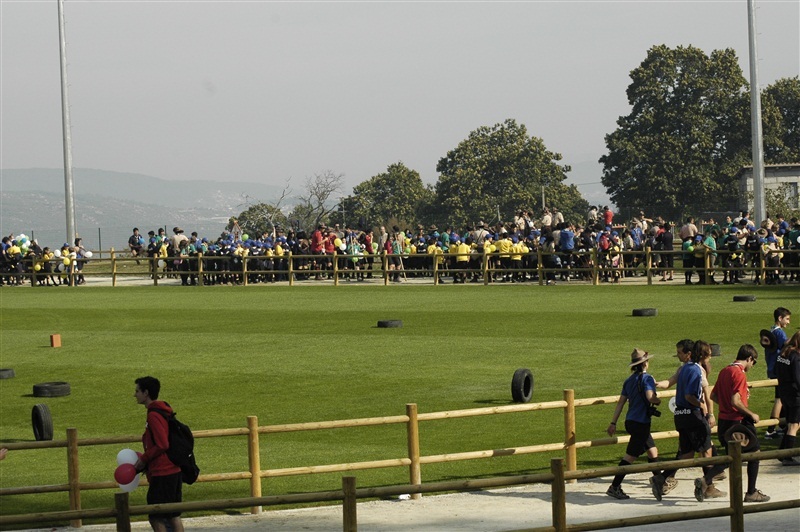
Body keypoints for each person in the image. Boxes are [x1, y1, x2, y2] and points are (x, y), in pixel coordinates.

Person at [651, 341, 723, 502]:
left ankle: (661, 478)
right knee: (706, 451)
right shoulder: (697, 370)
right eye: (709, 355)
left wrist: (654, 383)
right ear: (703, 355)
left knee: (687, 454)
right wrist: (705, 408)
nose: (711, 357)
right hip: (693, 415)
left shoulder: (683, 369)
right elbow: (692, 396)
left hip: (680, 416)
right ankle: (707, 486)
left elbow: (670, 383)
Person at [703, 345, 770, 502]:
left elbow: (714, 396)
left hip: (724, 421)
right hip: (738, 422)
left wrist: (726, 407)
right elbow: (735, 401)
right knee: (755, 454)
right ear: (749, 359)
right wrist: (751, 413)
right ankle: (751, 492)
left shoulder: (725, 370)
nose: (752, 366)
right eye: (753, 363)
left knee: (731, 457)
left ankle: (705, 479)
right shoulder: (739, 374)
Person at [605, 349, 663, 500]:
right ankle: (614, 486)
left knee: (652, 451)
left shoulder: (628, 381)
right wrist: (658, 400)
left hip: (631, 422)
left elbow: (620, 403)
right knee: (630, 457)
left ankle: (660, 482)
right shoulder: (648, 378)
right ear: (645, 363)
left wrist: (613, 423)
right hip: (641, 423)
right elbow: (651, 398)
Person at [133, 377, 184, 532]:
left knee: (156, 516)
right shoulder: (162, 411)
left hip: (163, 473)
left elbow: (162, 444)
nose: (134, 395)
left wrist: (143, 459)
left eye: (137, 391)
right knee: (173, 514)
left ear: (146, 393)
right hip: (173, 471)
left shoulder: (153, 415)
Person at [765, 307, 791, 439]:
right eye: (787, 319)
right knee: (779, 399)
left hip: (772, 368)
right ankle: (770, 430)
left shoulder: (771, 331)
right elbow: (787, 345)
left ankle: (782, 425)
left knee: (783, 397)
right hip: (779, 369)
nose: (788, 322)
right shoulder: (780, 333)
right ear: (780, 318)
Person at [776, 331, 800, 466]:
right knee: (793, 425)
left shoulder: (782, 354)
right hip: (796, 395)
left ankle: (782, 452)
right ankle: (788, 456)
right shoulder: (795, 357)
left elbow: (776, 370)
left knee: (792, 422)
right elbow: (798, 378)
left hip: (784, 393)